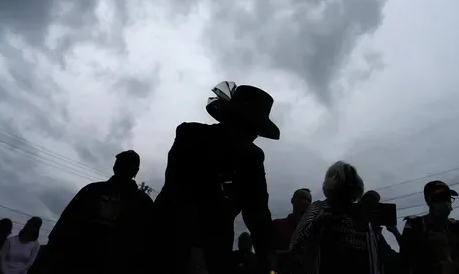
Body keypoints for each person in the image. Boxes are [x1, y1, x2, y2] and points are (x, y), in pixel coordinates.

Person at [152, 81, 280, 274]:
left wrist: (268, 257)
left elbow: (257, 210)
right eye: (249, 127)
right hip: (170, 237)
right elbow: (179, 192)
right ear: (232, 119)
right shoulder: (191, 136)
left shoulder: (253, 157)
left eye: (256, 131)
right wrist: (195, 250)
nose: (253, 136)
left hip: (217, 247)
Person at [42, 150, 153, 274]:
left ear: (135, 171)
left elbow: (147, 240)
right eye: (121, 163)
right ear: (115, 166)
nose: (122, 167)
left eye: (127, 164)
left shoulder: (143, 202)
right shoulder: (92, 190)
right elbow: (65, 224)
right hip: (78, 261)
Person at [286, 161, 380, 274]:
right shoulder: (318, 208)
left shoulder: (361, 214)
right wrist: (317, 224)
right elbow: (296, 247)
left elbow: (372, 256)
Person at [401, 180, 459, 274]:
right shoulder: (416, 226)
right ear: (429, 201)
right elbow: (406, 262)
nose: (446, 202)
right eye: (441, 198)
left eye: (448, 198)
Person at [360, 190, 402, 274]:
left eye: (374, 206)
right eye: (368, 206)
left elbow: (401, 258)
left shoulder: (377, 238)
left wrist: (396, 233)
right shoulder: (351, 231)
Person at [272, 189, 312, 271]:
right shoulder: (277, 225)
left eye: (309, 200)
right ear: (292, 201)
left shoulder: (314, 230)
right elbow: (267, 253)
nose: (306, 202)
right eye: (303, 198)